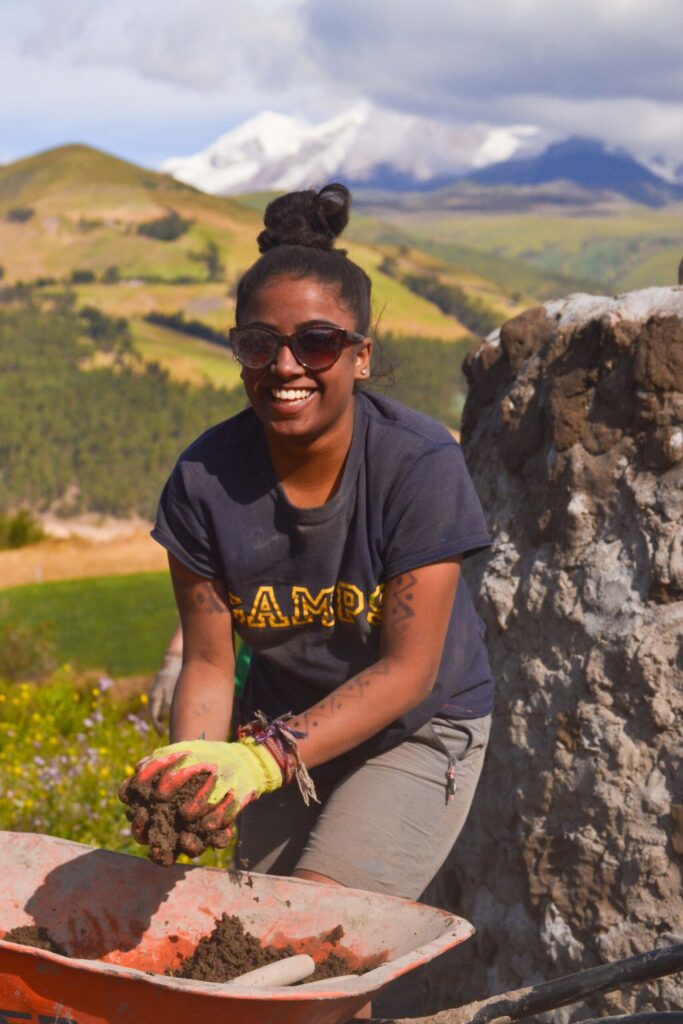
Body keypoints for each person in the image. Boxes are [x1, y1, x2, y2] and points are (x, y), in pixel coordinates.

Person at [120, 183, 494, 904]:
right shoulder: (204, 481)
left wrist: (261, 762)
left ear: (359, 356)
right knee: (249, 930)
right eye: (260, 343)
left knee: (316, 924)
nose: (285, 365)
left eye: (316, 341)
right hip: (281, 724)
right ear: (238, 352)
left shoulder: (415, 465)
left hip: (416, 727)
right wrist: (193, 780)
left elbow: (409, 672)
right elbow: (206, 661)